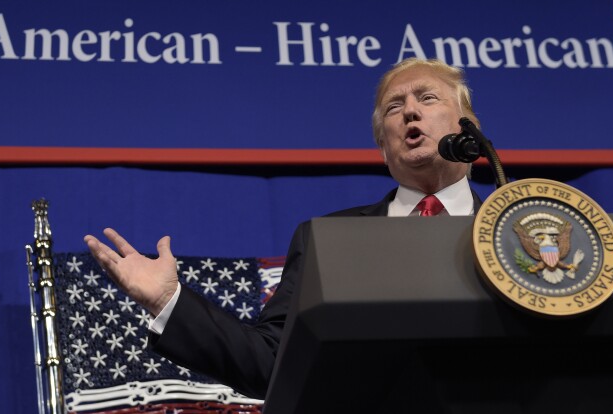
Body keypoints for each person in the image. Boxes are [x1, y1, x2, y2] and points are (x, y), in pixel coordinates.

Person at [84, 58, 484, 399]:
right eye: (394, 107)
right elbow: (273, 363)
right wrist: (169, 300)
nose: (410, 112)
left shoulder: (519, 229)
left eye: (427, 98)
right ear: (383, 147)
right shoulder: (330, 241)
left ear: (469, 127)